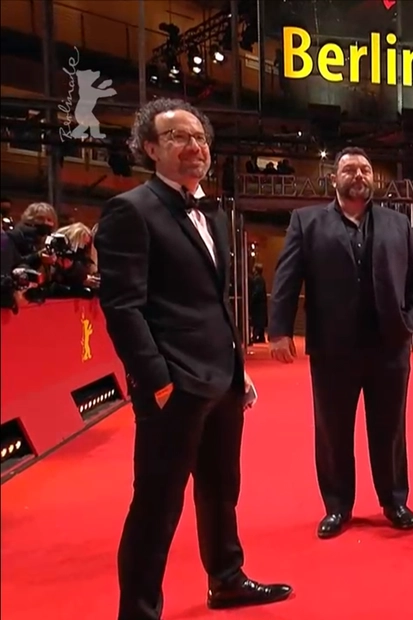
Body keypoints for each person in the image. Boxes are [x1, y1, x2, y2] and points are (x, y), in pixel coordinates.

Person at [96, 98, 291, 620]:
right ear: (151, 148)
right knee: (157, 507)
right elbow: (122, 307)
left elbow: (211, 303)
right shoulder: (130, 210)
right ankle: (138, 611)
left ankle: (226, 578)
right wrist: (156, 380)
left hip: (220, 379)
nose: (194, 146)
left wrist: (236, 368)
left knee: (222, 489)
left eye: (199, 137)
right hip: (172, 387)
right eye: (178, 137)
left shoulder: (214, 213)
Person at [268, 146, 413, 539]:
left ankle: (394, 500)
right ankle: (337, 506)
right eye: (350, 169)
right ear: (333, 178)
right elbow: (287, 279)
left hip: (388, 346)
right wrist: (279, 329)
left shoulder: (397, 224)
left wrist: (408, 323)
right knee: (332, 430)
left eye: (365, 169)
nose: (359, 175)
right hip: (332, 348)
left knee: (390, 428)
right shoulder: (306, 222)